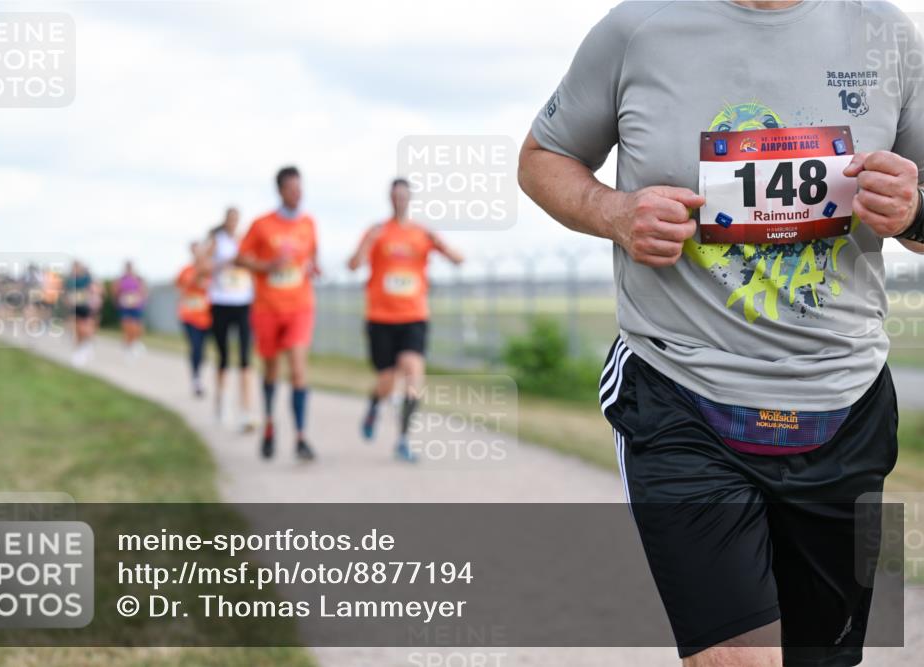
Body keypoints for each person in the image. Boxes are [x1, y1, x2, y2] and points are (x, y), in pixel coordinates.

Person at [518, 2, 923, 666]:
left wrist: (913, 209)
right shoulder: (637, 29)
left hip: (842, 407)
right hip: (683, 391)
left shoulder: (886, 32)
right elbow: (542, 158)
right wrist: (614, 212)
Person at [347, 178, 463, 462]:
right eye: (395, 196)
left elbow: (459, 259)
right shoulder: (377, 231)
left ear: (410, 199)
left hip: (414, 316)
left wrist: (440, 243)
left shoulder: (422, 233)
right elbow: (353, 265)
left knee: (413, 376)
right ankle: (374, 405)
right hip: (381, 317)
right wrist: (368, 243)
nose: (400, 200)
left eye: (404, 196)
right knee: (387, 381)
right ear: (390, 199)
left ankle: (403, 440)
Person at [236, 166, 319, 461]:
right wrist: (266, 266)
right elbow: (240, 258)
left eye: (300, 188)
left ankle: (301, 438)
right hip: (267, 308)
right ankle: (270, 424)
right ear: (280, 191)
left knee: (298, 370)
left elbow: (312, 257)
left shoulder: (308, 223)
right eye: (292, 189)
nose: (298, 194)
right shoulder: (261, 225)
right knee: (271, 370)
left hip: (300, 306)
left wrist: (314, 268)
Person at [206, 207, 256, 431]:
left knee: (245, 357)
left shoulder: (245, 240)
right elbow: (203, 266)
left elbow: (255, 263)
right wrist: (226, 262)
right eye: (231, 219)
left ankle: (246, 410)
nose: (234, 222)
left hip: (243, 302)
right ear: (225, 220)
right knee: (224, 356)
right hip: (221, 302)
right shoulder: (216, 241)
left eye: (237, 219)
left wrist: (245, 262)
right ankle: (222, 402)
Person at [176, 241, 212, 397]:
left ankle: (198, 375)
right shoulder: (187, 270)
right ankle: (196, 379)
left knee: (202, 350)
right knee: (195, 346)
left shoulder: (211, 271)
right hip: (189, 316)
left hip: (207, 317)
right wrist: (199, 271)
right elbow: (183, 286)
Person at [65, 261, 101, 367]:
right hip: (74, 306)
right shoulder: (70, 280)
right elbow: (67, 292)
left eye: (77, 268)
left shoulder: (87, 279)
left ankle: (86, 344)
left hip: (85, 306)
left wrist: (93, 301)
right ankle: (79, 350)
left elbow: (94, 290)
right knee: (76, 328)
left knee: (85, 328)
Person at [112, 260, 148, 356]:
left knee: (137, 327)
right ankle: (128, 345)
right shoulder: (121, 280)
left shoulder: (138, 279)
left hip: (136, 306)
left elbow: (143, 291)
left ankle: (134, 342)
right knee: (127, 326)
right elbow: (116, 291)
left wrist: (141, 299)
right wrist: (118, 300)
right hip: (125, 306)